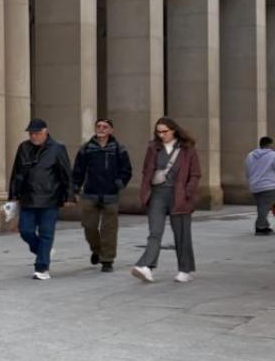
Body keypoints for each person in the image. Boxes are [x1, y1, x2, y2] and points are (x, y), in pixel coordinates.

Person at [132, 117, 202, 283]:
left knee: (182, 234)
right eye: (158, 132)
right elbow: (146, 171)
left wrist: (188, 192)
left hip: (179, 195)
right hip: (157, 194)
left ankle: (185, 270)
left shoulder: (187, 149)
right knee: (155, 232)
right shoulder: (153, 148)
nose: (161, 135)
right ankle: (146, 266)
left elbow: (195, 173)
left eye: (165, 131)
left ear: (174, 130)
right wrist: (144, 193)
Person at [8, 118, 73, 281]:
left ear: (45, 132)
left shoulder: (57, 148)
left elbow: (66, 174)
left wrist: (69, 195)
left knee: (46, 233)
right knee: (25, 230)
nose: (33, 137)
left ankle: (42, 267)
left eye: (37, 133)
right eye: (31, 133)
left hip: (50, 197)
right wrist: (13, 194)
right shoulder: (23, 147)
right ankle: (43, 250)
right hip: (28, 197)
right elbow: (17, 172)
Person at [71, 118, 133, 273]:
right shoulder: (86, 148)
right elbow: (78, 170)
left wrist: (118, 184)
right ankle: (97, 250)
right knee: (89, 226)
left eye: (105, 127)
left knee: (109, 230)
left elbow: (126, 170)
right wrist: (75, 188)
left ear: (111, 130)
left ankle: (107, 260)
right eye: (98, 126)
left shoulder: (119, 148)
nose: (101, 129)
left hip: (110, 195)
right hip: (90, 194)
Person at [247, 136, 275, 235]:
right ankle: (260, 227)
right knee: (264, 207)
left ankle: (265, 226)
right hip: (269, 185)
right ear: (269, 144)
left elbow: (248, 170)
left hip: (255, 186)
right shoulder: (272, 155)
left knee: (262, 206)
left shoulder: (251, 155)